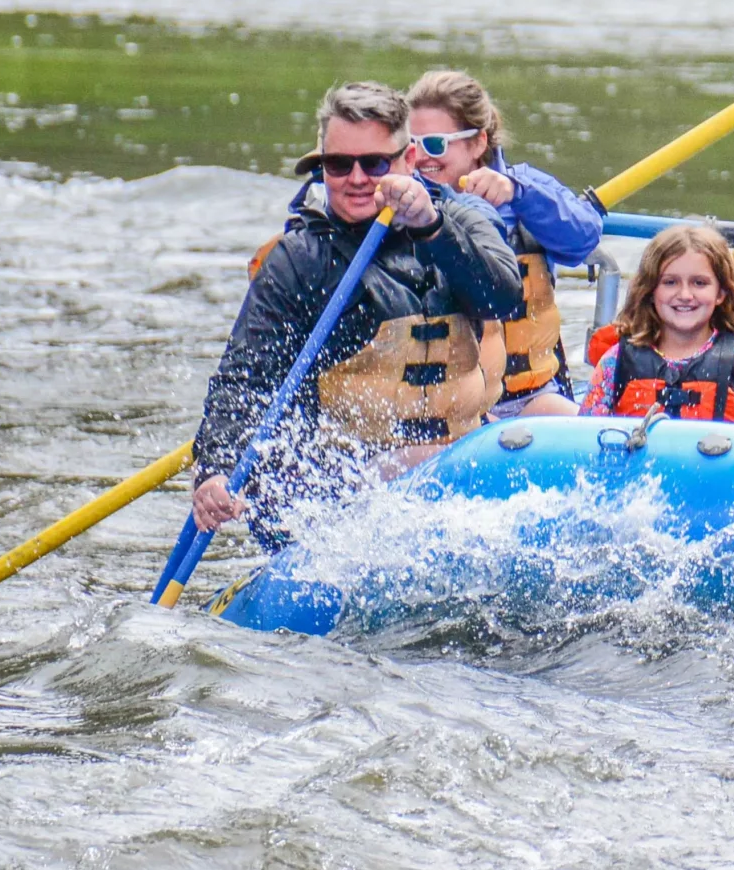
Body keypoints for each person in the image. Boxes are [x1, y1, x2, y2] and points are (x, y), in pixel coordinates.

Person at [192, 82, 525, 544]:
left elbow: (501, 299)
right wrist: (215, 468)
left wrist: (432, 229)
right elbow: (245, 379)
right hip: (342, 487)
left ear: (408, 161)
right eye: (338, 164)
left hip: (457, 468)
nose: (356, 178)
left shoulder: (458, 221)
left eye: (374, 163)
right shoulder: (298, 261)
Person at [403, 68, 603, 419]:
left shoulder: (524, 188)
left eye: (435, 144)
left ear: (478, 142)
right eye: (412, 144)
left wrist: (519, 194)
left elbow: (583, 239)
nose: (421, 158)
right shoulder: (406, 202)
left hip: (531, 399)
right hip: (448, 407)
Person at [580, 222, 734, 430]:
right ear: (650, 291)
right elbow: (586, 439)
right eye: (670, 282)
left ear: (720, 293)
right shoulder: (615, 362)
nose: (685, 295)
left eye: (699, 283)